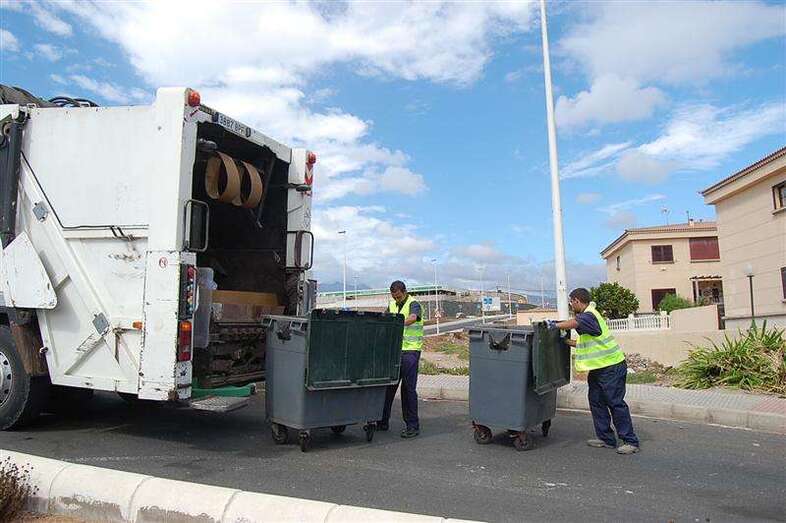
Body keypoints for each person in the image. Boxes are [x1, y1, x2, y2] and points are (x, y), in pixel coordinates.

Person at [550, 288, 640, 455]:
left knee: (615, 403)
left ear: (577, 300)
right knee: (596, 401)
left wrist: (553, 326)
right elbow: (588, 343)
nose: (571, 305)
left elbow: (576, 322)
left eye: (571, 301)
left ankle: (630, 441)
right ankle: (606, 438)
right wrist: (567, 342)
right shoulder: (588, 318)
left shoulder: (589, 314)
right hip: (599, 369)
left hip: (612, 367)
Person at [380, 280, 423, 438]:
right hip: (395, 351)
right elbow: (384, 319)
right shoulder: (392, 305)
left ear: (404, 292)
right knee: (389, 386)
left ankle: (413, 426)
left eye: (398, 296)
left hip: (411, 352)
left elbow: (413, 318)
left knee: (408, 389)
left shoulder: (414, 304)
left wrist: (398, 324)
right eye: (394, 296)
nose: (396, 299)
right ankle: (382, 421)